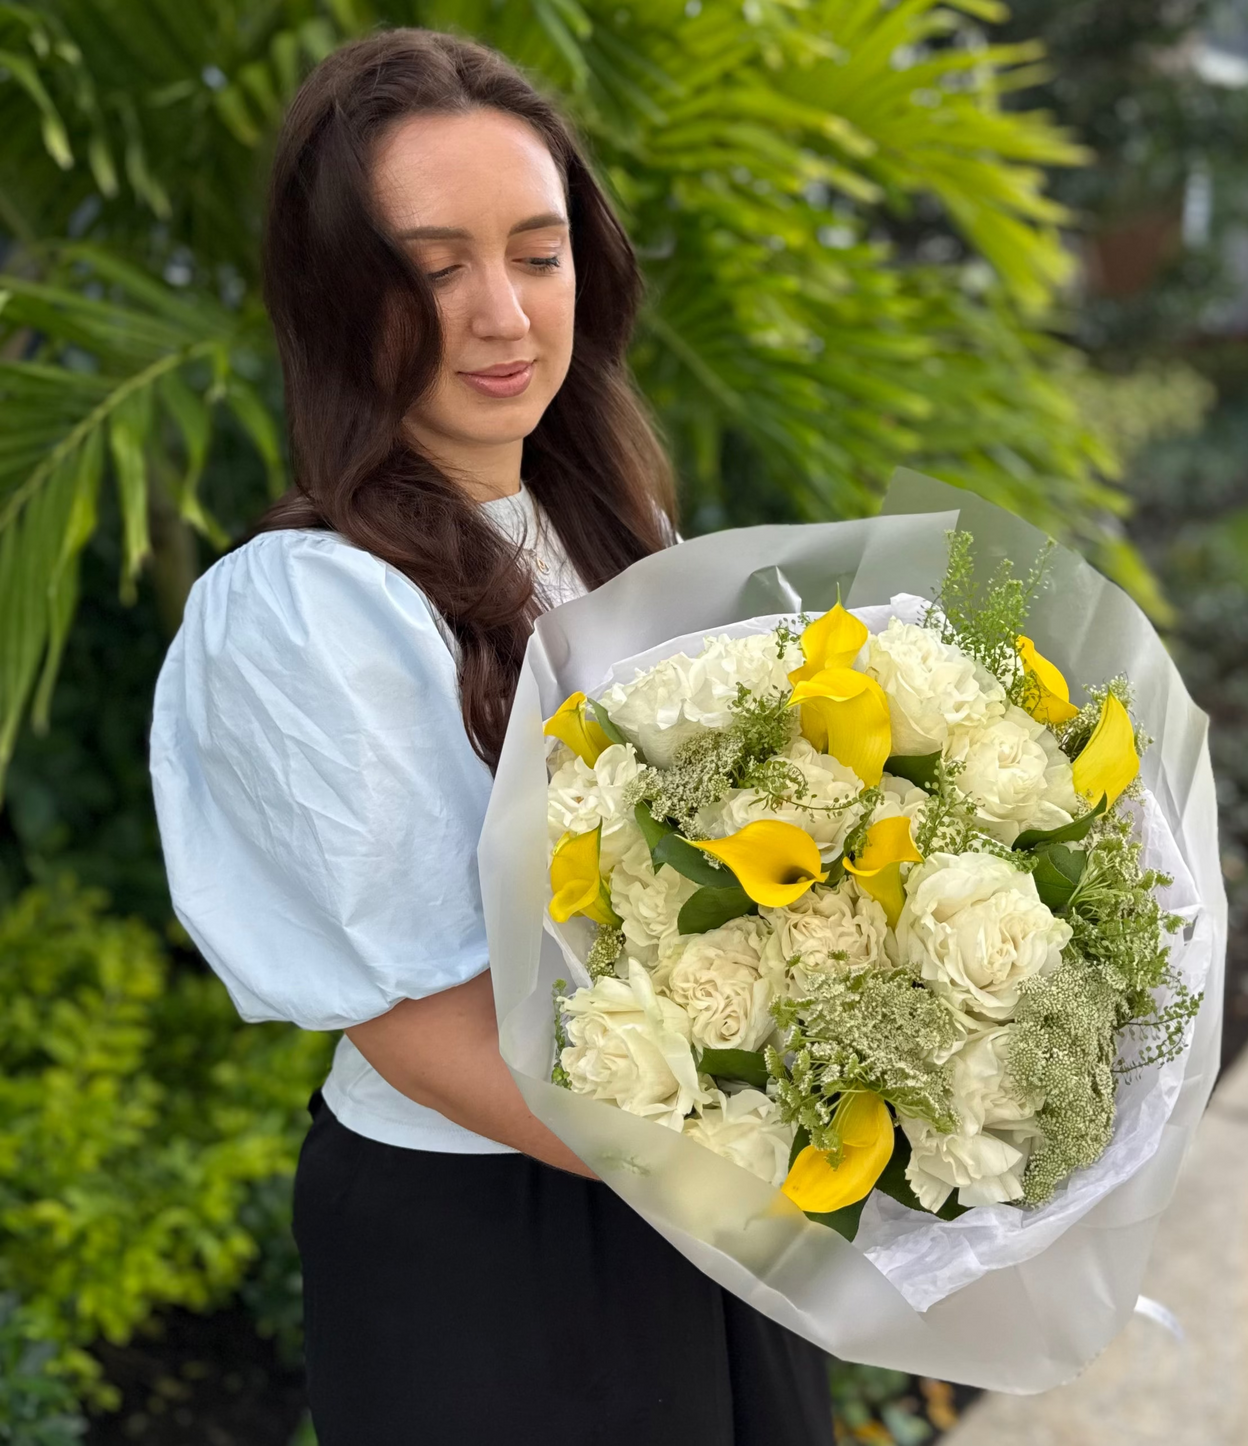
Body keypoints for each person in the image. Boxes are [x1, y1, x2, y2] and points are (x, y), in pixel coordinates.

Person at [148, 28, 834, 1446]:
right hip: (494, 1232)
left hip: (688, 1185)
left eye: (536, 250)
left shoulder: (614, 533)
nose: (502, 313)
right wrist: (774, 1137)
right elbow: (420, 1020)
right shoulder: (303, 605)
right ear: (340, 293)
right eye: (431, 264)